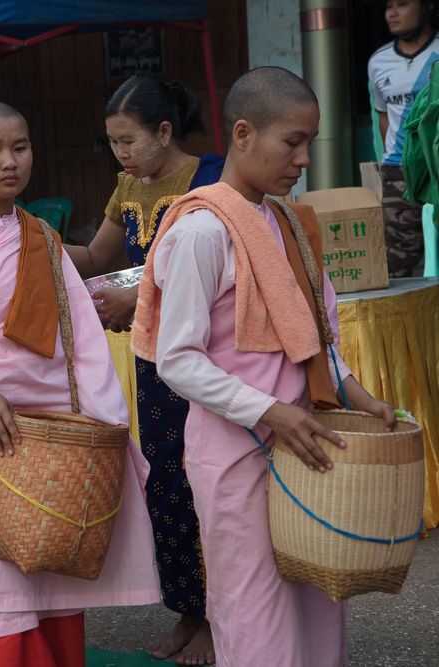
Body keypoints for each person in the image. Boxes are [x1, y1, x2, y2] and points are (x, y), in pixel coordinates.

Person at [131, 67, 397, 666]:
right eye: (292, 141)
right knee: (253, 607)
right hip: (235, 448)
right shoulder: (201, 232)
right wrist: (269, 410)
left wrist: (358, 395)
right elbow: (176, 361)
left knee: (319, 594)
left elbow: (319, 339)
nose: (303, 159)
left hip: (302, 442)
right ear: (244, 134)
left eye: (309, 143)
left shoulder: (290, 226)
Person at [0, 101, 159, 666]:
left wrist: (101, 421)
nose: (9, 162)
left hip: (47, 430)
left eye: (20, 147)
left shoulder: (41, 235)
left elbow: (78, 331)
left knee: (53, 560)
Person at [64, 77, 221, 666]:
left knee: (209, 481)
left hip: (207, 354)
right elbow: (99, 257)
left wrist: (141, 299)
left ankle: (218, 615)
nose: (120, 154)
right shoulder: (129, 184)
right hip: (155, 361)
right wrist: (31, 239)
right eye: (112, 143)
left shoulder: (212, 179)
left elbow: (211, 272)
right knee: (166, 480)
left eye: (128, 140)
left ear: (163, 131)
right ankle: (188, 609)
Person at [368, 0, 439, 277]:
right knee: (397, 266)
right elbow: (384, 118)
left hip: (436, 169)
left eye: (403, 4)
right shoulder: (378, 61)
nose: (392, 13)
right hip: (398, 174)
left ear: (429, 5)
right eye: (387, 6)